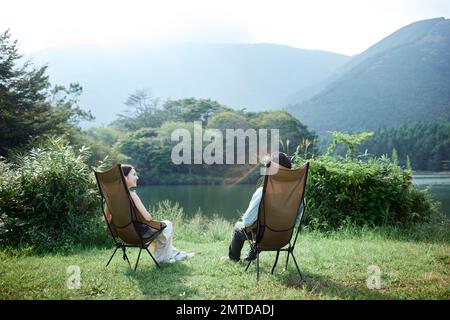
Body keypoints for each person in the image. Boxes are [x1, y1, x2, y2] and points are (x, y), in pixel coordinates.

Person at [104, 164, 194, 263]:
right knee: (167, 225)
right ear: (125, 178)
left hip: (123, 235)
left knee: (160, 232)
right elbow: (147, 217)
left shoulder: (110, 198)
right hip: (138, 235)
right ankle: (163, 259)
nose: (137, 177)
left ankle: (176, 253)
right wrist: (148, 215)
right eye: (134, 174)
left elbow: (106, 218)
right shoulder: (132, 195)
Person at [228, 152, 304, 262]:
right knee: (261, 227)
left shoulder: (262, 192)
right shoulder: (298, 195)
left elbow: (247, 221)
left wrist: (251, 225)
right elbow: (297, 223)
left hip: (263, 238)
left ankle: (234, 259)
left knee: (239, 227)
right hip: (283, 239)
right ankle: (250, 255)